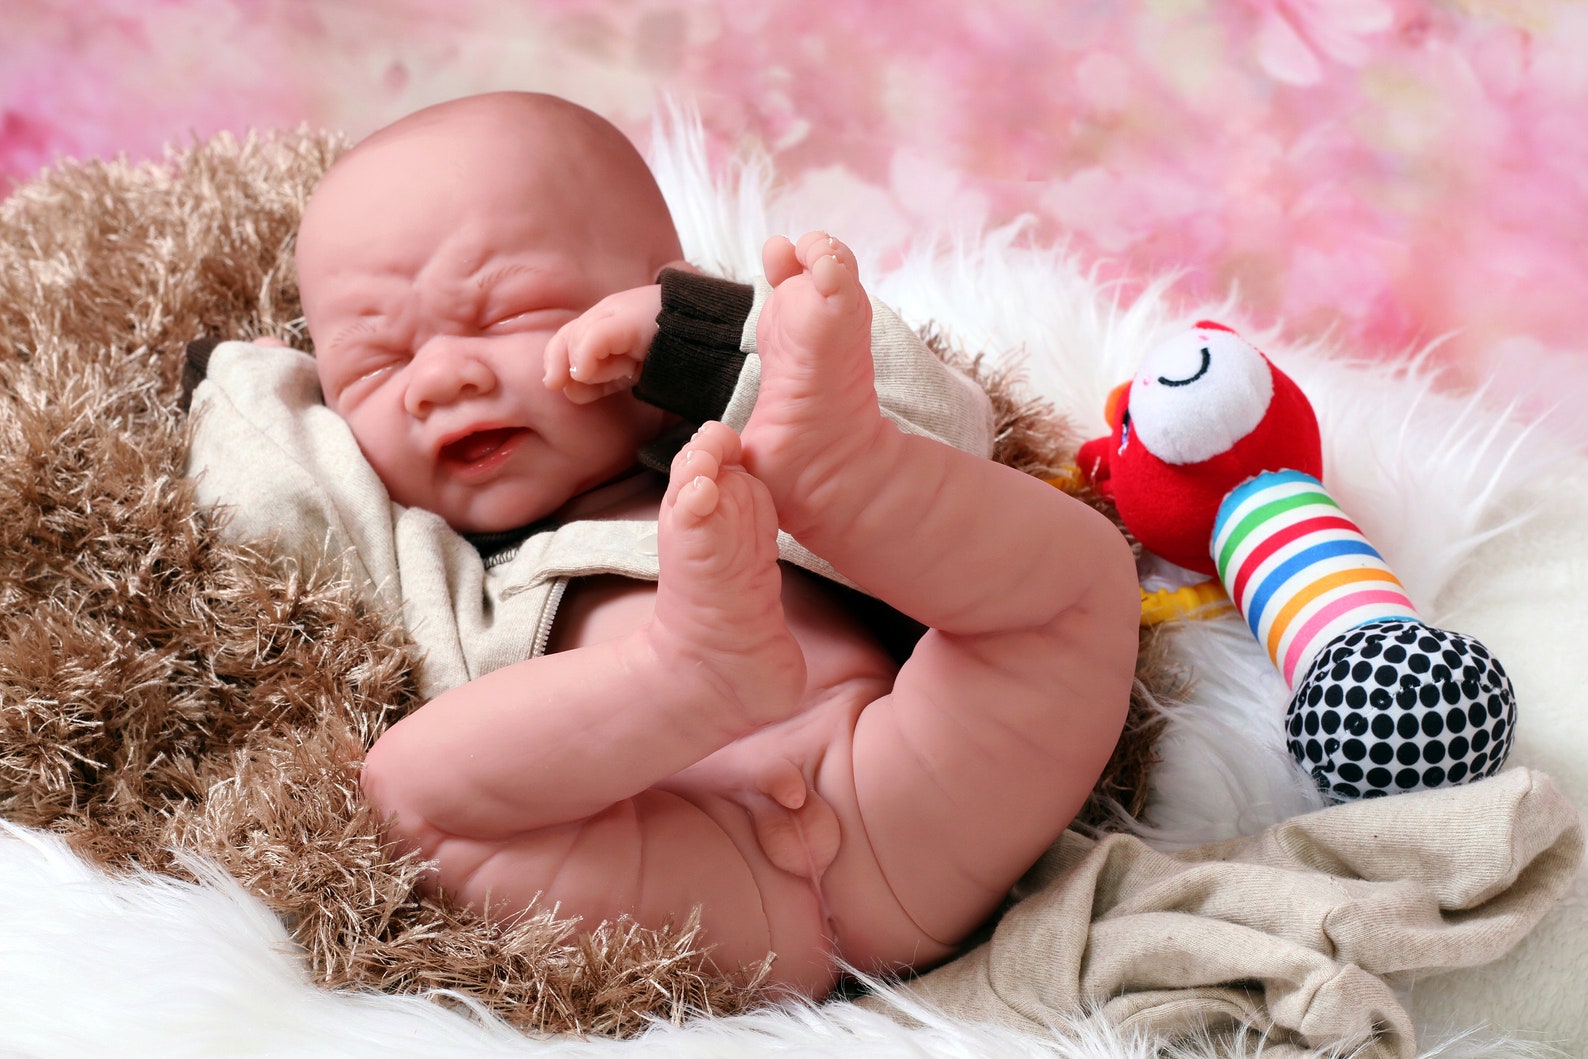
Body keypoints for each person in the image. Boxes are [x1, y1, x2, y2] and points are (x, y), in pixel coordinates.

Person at [183, 91, 1139, 997]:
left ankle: (851, 481)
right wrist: (237, 386)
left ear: (652, 299)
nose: (439, 378)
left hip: (909, 769)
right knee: (402, 787)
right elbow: (283, 504)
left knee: (1082, 578)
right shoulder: (433, 560)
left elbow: (941, 422)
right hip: (672, 870)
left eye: (505, 314)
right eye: (378, 363)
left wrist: (704, 341)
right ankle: (686, 673)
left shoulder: (744, 432)